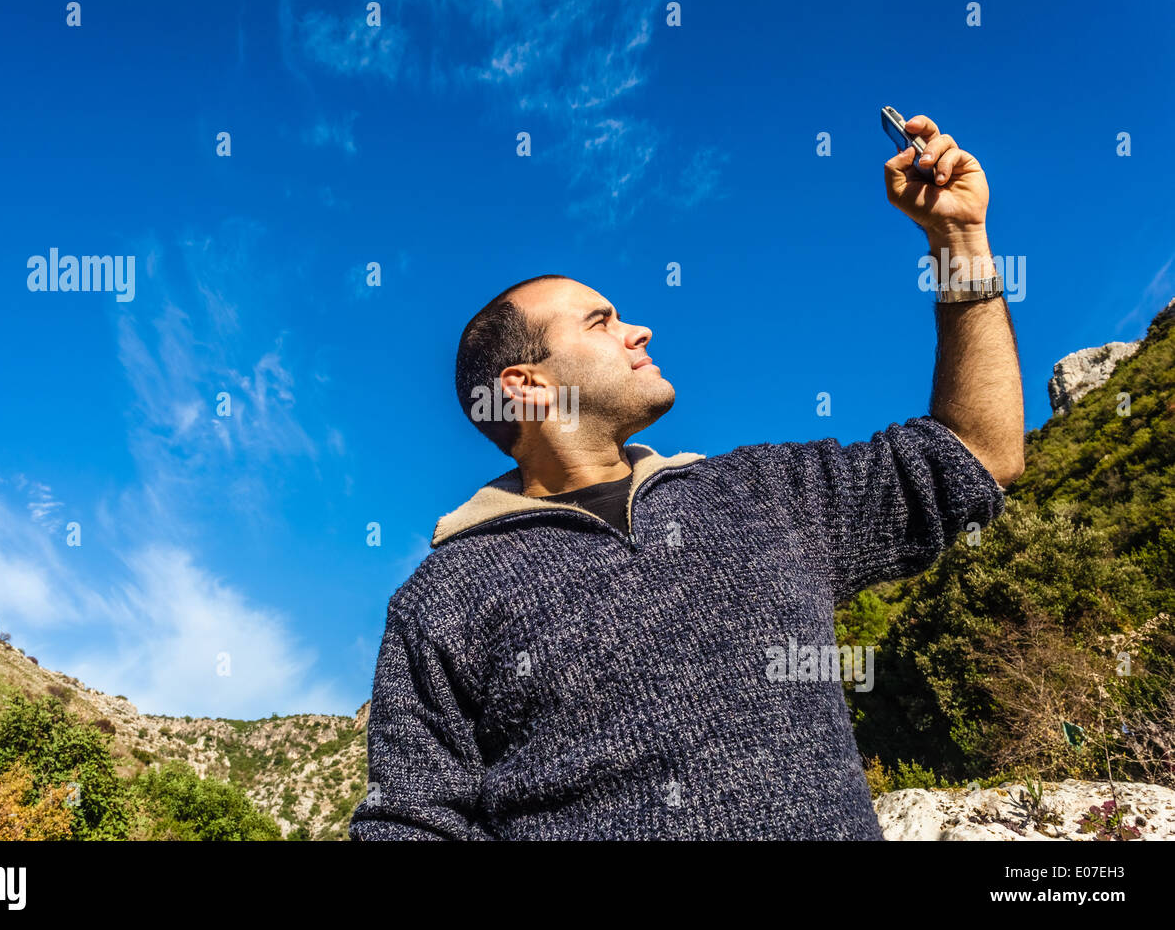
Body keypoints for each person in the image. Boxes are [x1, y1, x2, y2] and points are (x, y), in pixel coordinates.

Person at [350, 114, 1024, 839]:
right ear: (528, 384)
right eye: (601, 321)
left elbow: (976, 453)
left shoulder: (769, 493)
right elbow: (413, 823)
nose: (639, 331)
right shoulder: (442, 597)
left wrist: (958, 242)